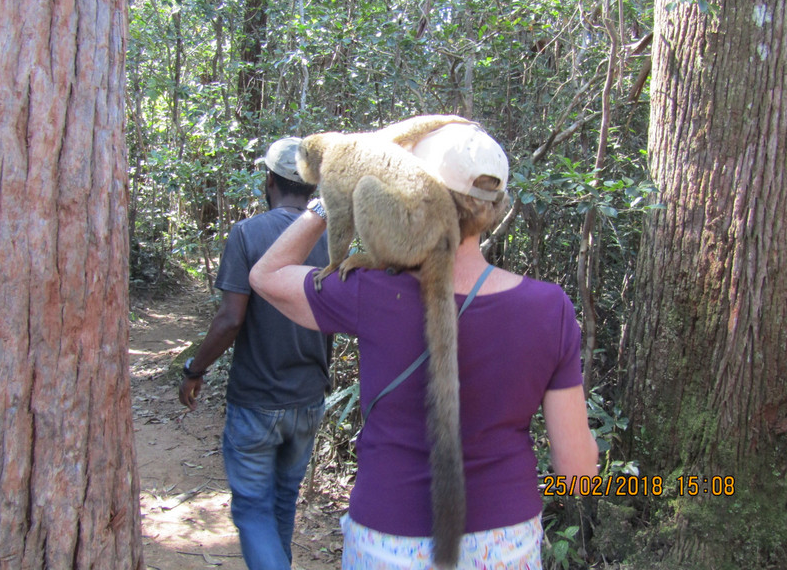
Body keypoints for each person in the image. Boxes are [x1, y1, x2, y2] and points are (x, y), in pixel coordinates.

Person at [248, 123, 598, 569]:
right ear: (498, 207)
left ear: (415, 191)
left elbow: (266, 276)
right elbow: (578, 474)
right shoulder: (551, 308)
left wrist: (332, 188)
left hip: (387, 538)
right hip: (505, 544)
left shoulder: (369, 290)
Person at [178, 137, 332, 570]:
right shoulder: (331, 237)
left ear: (269, 182)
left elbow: (230, 319)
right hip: (308, 397)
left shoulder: (247, 233)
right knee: (283, 504)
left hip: (257, 401)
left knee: (252, 509)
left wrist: (195, 369)